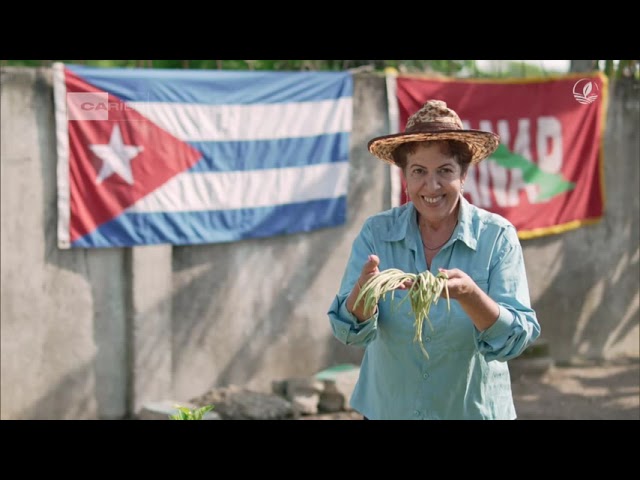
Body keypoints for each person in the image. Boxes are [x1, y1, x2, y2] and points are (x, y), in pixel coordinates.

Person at [327, 99, 541, 420]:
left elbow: (516, 338)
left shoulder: (496, 236)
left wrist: (470, 296)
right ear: (404, 178)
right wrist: (364, 291)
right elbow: (349, 331)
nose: (432, 186)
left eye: (445, 171)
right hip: (390, 410)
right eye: (418, 172)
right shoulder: (377, 232)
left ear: (464, 174)